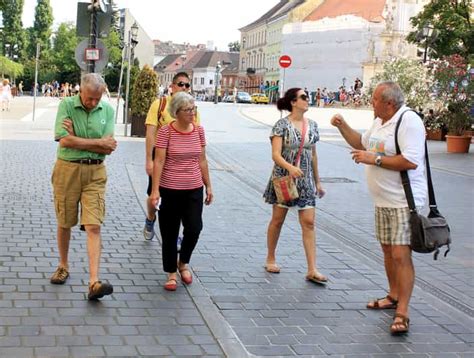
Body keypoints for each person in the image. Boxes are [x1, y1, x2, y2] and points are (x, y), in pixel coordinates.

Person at [330, 81, 426, 335]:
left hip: (403, 202)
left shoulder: (409, 121)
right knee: (387, 251)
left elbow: (411, 161)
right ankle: (393, 296)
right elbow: (361, 143)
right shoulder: (379, 121)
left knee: (400, 255)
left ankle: (402, 312)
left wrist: (375, 159)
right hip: (381, 200)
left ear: (389, 103)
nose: (370, 103)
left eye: (374, 100)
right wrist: (342, 126)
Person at [50, 73, 117, 300]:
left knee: (94, 224)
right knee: (65, 220)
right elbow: (64, 139)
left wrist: (77, 137)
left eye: (97, 99)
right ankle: (63, 265)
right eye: (89, 98)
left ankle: (93, 282)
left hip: (96, 173)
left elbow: (109, 147)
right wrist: (96, 143)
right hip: (67, 170)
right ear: (81, 91)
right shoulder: (67, 105)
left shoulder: (107, 110)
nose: (93, 103)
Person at [262, 88, 327, 284]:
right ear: (293, 102)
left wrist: (318, 181)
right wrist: (290, 168)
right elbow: (276, 155)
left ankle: (312, 269)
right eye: (304, 97)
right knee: (278, 219)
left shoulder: (313, 126)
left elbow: (313, 155)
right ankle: (270, 257)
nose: (308, 100)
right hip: (285, 179)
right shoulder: (281, 125)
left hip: (305, 180)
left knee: (309, 222)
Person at [149, 92, 213, 291]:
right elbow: (159, 161)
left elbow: (202, 159)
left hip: (193, 188)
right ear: (176, 112)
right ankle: (170, 272)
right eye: (187, 110)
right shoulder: (166, 132)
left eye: (193, 109)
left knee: (194, 228)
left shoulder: (199, 131)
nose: (192, 113)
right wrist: (155, 190)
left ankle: (183, 262)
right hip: (169, 189)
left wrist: (208, 185)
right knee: (169, 232)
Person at [143, 72, 200, 240]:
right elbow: (151, 133)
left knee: (180, 201)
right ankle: (150, 218)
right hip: (161, 157)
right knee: (154, 195)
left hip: (182, 161)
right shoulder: (159, 104)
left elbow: (196, 136)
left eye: (187, 85)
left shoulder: (192, 110)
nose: (184, 88)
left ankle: (174, 235)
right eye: (181, 84)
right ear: (172, 86)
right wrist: (149, 160)